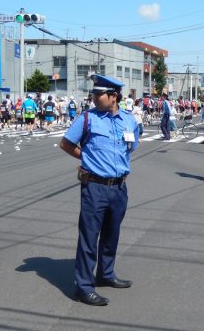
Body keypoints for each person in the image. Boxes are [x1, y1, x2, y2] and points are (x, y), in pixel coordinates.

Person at [60, 74, 139, 306]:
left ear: (113, 97)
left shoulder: (129, 120)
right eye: (93, 94)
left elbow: (131, 147)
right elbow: (65, 144)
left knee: (111, 235)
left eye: (98, 94)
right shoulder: (87, 119)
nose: (94, 98)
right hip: (94, 187)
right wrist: (88, 159)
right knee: (89, 237)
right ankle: (83, 287)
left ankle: (106, 274)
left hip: (119, 188)